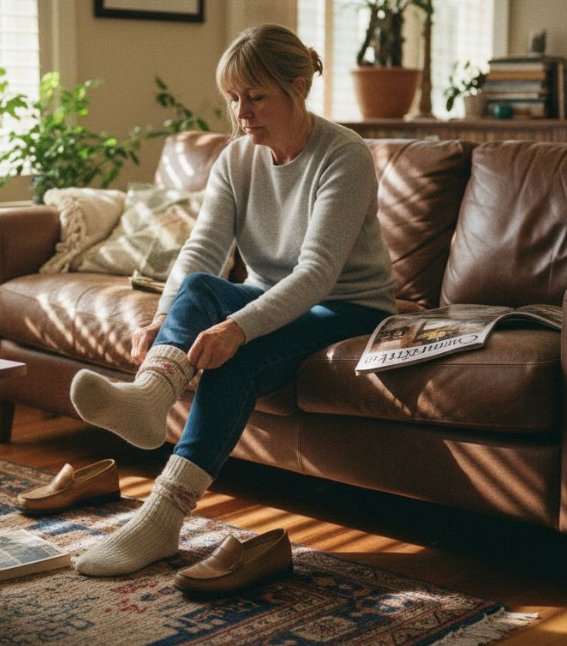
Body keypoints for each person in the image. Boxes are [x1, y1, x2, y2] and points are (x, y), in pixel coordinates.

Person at [68, 23, 396, 577]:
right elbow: (203, 249)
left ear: (298, 88)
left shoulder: (344, 155)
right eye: (233, 98)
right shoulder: (236, 158)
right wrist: (164, 318)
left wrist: (237, 328)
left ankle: (162, 519)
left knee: (235, 356)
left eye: (257, 96)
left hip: (349, 306)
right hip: (275, 295)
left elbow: (316, 274)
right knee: (197, 290)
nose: (242, 113)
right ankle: (149, 399)